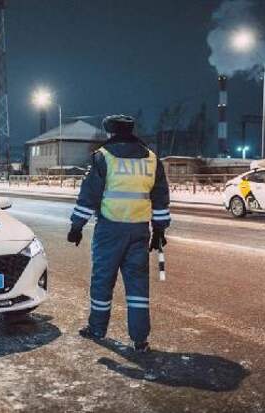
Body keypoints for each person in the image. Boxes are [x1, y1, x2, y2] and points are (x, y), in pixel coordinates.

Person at [67, 114, 170, 352]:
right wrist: (159, 230)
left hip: (110, 230)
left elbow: (89, 195)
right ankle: (140, 339)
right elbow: (161, 197)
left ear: (111, 133)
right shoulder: (152, 159)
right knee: (138, 286)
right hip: (139, 231)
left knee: (103, 281)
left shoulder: (103, 157)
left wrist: (76, 226)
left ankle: (97, 328)